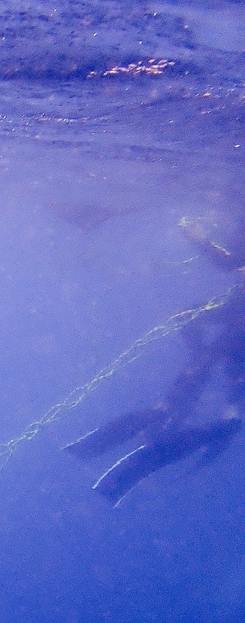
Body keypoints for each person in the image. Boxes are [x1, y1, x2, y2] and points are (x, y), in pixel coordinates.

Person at [65, 212, 245, 505]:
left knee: (225, 372)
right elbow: (231, 263)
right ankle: (169, 413)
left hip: (240, 323)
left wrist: (204, 244)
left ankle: (199, 419)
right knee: (196, 333)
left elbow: (233, 264)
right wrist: (202, 242)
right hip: (238, 313)